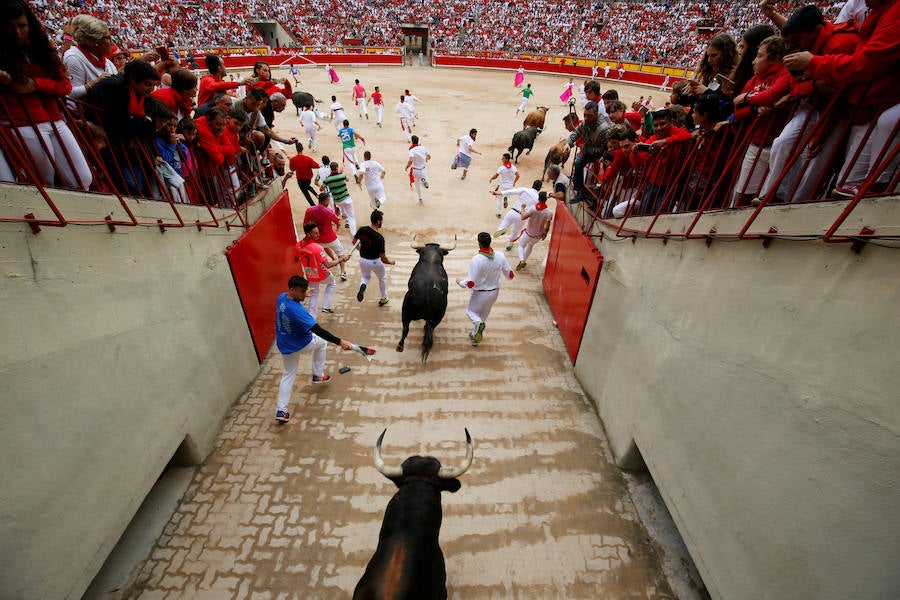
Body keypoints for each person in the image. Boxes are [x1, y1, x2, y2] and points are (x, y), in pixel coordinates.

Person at [783, 0, 900, 199]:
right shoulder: (876, 11)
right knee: (846, 187)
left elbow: (862, 66)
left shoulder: (839, 42)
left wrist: (813, 65)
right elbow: (795, 85)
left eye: (797, 41)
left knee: (887, 124)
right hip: (866, 108)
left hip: (872, 107)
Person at [0, 0, 92, 190]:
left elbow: (65, 85)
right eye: (10, 27)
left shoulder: (39, 48)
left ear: (29, 24)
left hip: (54, 120)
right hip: (20, 122)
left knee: (83, 179)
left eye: (22, 26)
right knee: (45, 182)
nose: (17, 32)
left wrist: (36, 85)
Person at [273, 275, 355, 423]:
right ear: (292, 289)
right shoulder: (298, 311)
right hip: (301, 344)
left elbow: (291, 305)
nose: (305, 293)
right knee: (322, 342)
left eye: (305, 290)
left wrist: (303, 293)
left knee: (288, 375)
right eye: (302, 291)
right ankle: (318, 375)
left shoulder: (281, 298)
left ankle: (281, 411)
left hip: (285, 344)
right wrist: (340, 341)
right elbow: (318, 330)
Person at [456, 232, 514, 347]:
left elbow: (471, 283)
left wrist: (460, 282)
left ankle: (477, 325)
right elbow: (510, 275)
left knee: (471, 312)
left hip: (480, 294)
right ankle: (475, 338)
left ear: (479, 244)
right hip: (494, 292)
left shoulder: (476, 260)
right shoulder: (500, 255)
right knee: (484, 314)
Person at [296, 221, 348, 314]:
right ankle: (326, 306)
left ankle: (312, 319)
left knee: (313, 295)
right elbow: (328, 265)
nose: (318, 235)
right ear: (308, 234)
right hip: (322, 273)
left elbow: (296, 258)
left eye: (318, 232)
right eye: (315, 233)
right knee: (332, 283)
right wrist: (341, 259)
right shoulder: (317, 248)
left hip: (310, 274)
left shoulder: (298, 245)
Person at [566, 101, 611, 204]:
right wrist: (568, 143)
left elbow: (603, 150)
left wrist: (588, 149)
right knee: (578, 163)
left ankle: (598, 198)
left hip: (601, 156)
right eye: (584, 115)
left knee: (604, 178)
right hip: (590, 151)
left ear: (596, 114)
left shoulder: (604, 129)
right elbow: (576, 133)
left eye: (589, 116)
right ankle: (581, 191)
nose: (586, 118)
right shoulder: (585, 123)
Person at [353, 209, 394, 306]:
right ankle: (384, 298)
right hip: (375, 262)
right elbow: (383, 258)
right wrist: (391, 262)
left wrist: (361, 250)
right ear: (378, 221)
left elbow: (354, 241)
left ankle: (363, 285)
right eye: (381, 220)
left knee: (365, 277)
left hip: (363, 260)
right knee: (382, 278)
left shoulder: (362, 230)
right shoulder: (379, 238)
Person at [304, 191, 346, 281]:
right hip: (330, 238)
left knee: (325, 247)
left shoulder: (309, 210)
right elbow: (338, 222)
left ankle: (333, 258)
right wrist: (338, 226)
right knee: (341, 253)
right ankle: (343, 272)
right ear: (326, 202)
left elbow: (305, 224)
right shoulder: (329, 211)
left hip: (317, 239)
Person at [494, 179, 542, 251]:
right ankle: (510, 244)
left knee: (504, 224)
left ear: (533, 185)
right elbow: (536, 211)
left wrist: (499, 193)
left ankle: (501, 229)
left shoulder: (524, 190)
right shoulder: (538, 198)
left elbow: (511, 192)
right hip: (522, 216)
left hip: (513, 211)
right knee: (515, 232)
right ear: (539, 188)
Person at [515, 191, 553, 271]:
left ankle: (522, 260)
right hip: (538, 236)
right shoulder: (549, 212)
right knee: (530, 246)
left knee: (521, 245)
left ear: (538, 198)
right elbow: (547, 226)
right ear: (546, 199)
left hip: (528, 233)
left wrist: (522, 208)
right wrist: (545, 234)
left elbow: (523, 217)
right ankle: (524, 261)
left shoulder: (533, 208)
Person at [322, 161, 358, 235]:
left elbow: (321, 188)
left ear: (331, 169)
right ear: (337, 168)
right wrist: (340, 173)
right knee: (351, 217)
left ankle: (344, 215)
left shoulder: (327, 179)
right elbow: (347, 179)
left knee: (342, 207)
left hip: (338, 201)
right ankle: (354, 234)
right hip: (346, 199)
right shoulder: (342, 176)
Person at [488, 152, 519, 218]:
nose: (502, 159)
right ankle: (506, 199)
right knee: (506, 196)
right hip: (510, 186)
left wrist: (491, 178)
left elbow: (496, 176)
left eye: (503, 158)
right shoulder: (513, 167)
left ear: (507, 159)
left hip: (502, 186)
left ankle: (499, 213)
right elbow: (518, 175)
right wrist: (514, 182)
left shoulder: (501, 168)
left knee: (499, 199)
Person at [289, 142, 320, 206]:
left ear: (296, 149)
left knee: (306, 193)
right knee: (306, 187)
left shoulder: (293, 159)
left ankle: (313, 204)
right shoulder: (308, 159)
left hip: (300, 179)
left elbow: (292, 169)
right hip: (308, 178)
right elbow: (316, 165)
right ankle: (316, 194)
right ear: (302, 149)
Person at [405, 134, 431, 204]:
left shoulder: (411, 150)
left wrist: (407, 166)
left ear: (412, 142)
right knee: (424, 183)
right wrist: (426, 159)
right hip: (423, 169)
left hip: (415, 170)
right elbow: (429, 156)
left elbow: (411, 160)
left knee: (417, 185)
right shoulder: (423, 148)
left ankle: (420, 198)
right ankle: (424, 181)